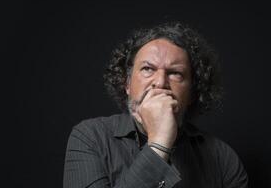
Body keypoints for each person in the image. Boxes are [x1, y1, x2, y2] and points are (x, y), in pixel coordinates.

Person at [63, 22, 248, 188]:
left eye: (175, 73)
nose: (160, 82)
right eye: (147, 69)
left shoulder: (223, 159)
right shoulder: (91, 138)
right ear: (126, 84)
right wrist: (159, 143)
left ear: (193, 92)